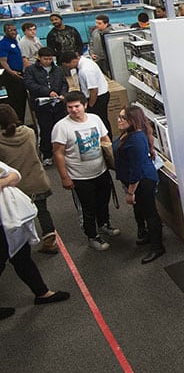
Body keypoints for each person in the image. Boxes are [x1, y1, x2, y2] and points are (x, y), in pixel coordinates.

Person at [0, 160, 70, 320]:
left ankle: (42, 292)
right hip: (4, 224)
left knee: (22, 257)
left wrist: (2, 182)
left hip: (8, 222)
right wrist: (5, 181)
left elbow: (15, 175)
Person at [52, 91, 117, 250]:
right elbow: (58, 153)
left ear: (85, 105)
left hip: (101, 171)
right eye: (70, 107)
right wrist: (64, 177)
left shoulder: (95, 119)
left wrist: (112, 160)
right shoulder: (61, 127)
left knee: (103, 201)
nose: (74, 110)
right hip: (79, 176)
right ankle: (92, 235)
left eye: (77, 106)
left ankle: (104, 224)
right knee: (88, 208)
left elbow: (105, 140)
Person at [0, 104, 58, 253]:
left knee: (17, 217)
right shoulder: (29, 132)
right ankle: (50, 240)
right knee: (43, 211)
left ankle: (20, 247)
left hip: (16, 187)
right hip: (38, 180)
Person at [114, 105, 165, 264]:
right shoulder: (127, 134)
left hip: (142, 182)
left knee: (150, 213)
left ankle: (157, 247)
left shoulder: (136, 139)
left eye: (123, 118)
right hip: (134, 181)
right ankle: (149, 236)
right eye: (119, 116)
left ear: (133, 120)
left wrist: (130, 193)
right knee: (141, 209)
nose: (119, 120)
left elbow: (136, 170)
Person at [22, 47, 68, 165]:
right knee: (46, 130)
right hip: (42, 106)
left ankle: (65, 152)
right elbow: (29, 84)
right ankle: (47, 155)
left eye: (50, 59)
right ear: (39, 58)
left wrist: (63, 94)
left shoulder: (58, 70)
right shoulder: (31, 70)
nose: (48, 61)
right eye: (45, 59)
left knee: (62, 129)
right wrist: (47, 92)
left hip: (58, 105)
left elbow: (64, 83)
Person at [58, 51, 111, 139]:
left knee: (100, 121)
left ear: (73, 61)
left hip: (97, 98)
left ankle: (106, 142)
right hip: (95, 96)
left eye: (68, 66)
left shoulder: (86, 70)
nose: (68, 68)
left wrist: (89, 105)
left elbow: (94, 90)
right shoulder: (84, 63)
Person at [0, 23, 27, 122]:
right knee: (16, 101)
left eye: (15, 30)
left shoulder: (14, 41)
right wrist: (11, 72)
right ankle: (16, 122)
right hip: (11, 76)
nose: (13, 32)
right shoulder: (3, 43)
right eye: (10, 30)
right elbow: (3, 61)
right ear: (5, 31)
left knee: (22, 100)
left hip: (19, 73)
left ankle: (21, 121)